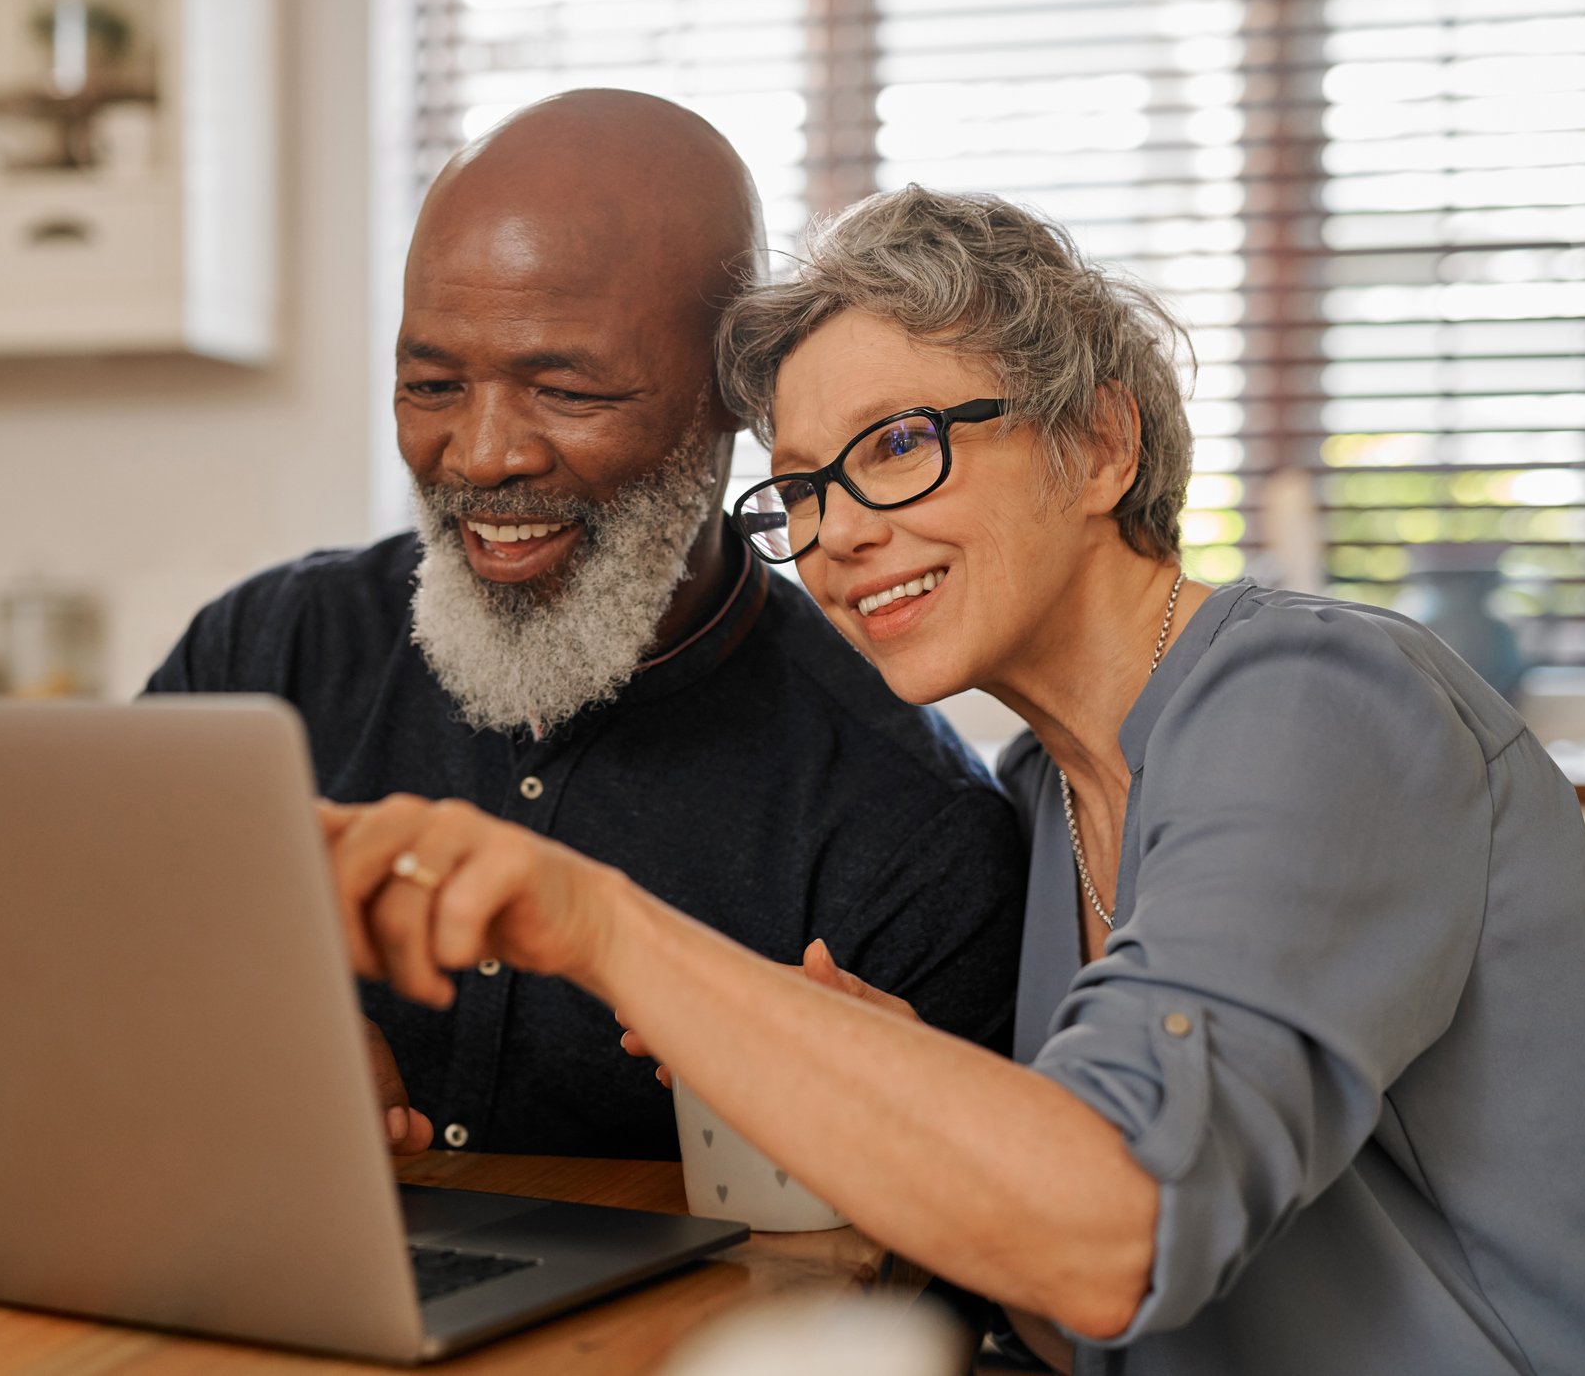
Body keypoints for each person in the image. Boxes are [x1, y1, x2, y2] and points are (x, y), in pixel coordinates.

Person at [321, 185, 1585, 1372]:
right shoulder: (1044, 790)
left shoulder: (1316, 700)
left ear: (1098, 444)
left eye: (899, 445)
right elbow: (1068, 1315)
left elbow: (1112, 1238)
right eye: (803, 489)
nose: (837, 534)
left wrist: (598, 922)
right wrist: (878, 1083)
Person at [144, 94, 1026, 1162]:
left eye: (563, 388)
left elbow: (917, 1291)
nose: (479, 455)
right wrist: (243, 1026)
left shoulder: (907, 828)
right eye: (431, 384)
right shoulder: (263, 658)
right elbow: (66, 953)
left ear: (735, 397)